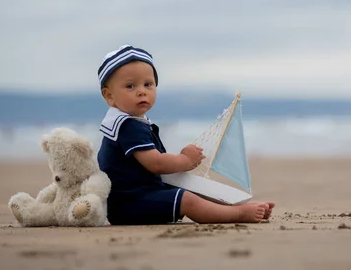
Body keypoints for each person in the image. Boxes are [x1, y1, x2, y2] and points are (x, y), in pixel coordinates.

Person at [96, 45, 275, 225]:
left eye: (148, 84)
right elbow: (156, 163)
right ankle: (238, 214)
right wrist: (185, 160)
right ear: (109, 96)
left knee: (192, 187)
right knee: (187, 200)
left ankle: (234, 207)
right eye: (130, 86)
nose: (142, 91)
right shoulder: (127, 126)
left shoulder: (134, 123)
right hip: (129, 204)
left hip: (141, 196)